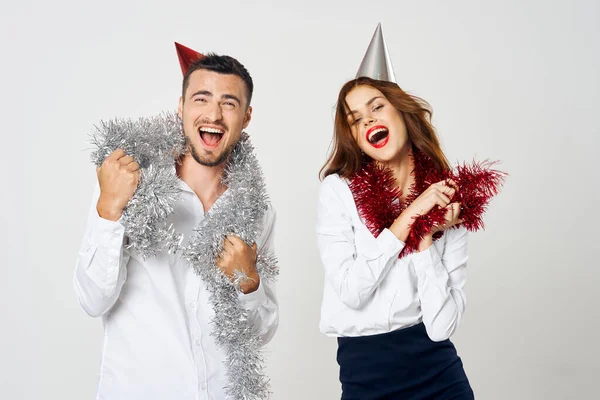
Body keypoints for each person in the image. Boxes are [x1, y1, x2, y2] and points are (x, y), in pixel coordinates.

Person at [74, 43, 278, 400]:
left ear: (246, 118)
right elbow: (93, 300)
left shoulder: (255, 209)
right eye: (201, 98)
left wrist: (248, 282)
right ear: (181, 108)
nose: (213, 114)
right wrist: (108, 210)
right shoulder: (127, 185)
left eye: (229, 103)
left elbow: (259, 333)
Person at [317, 24, 502, 399]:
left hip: (438, 372)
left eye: (376, 107)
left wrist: (425, 243)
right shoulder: (338, 191)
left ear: (401, 112)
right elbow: (352, 291)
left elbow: (441, 327)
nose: (367, 120)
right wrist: (408, 220)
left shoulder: (448, 201)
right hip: (365, 372)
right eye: (355, 119)